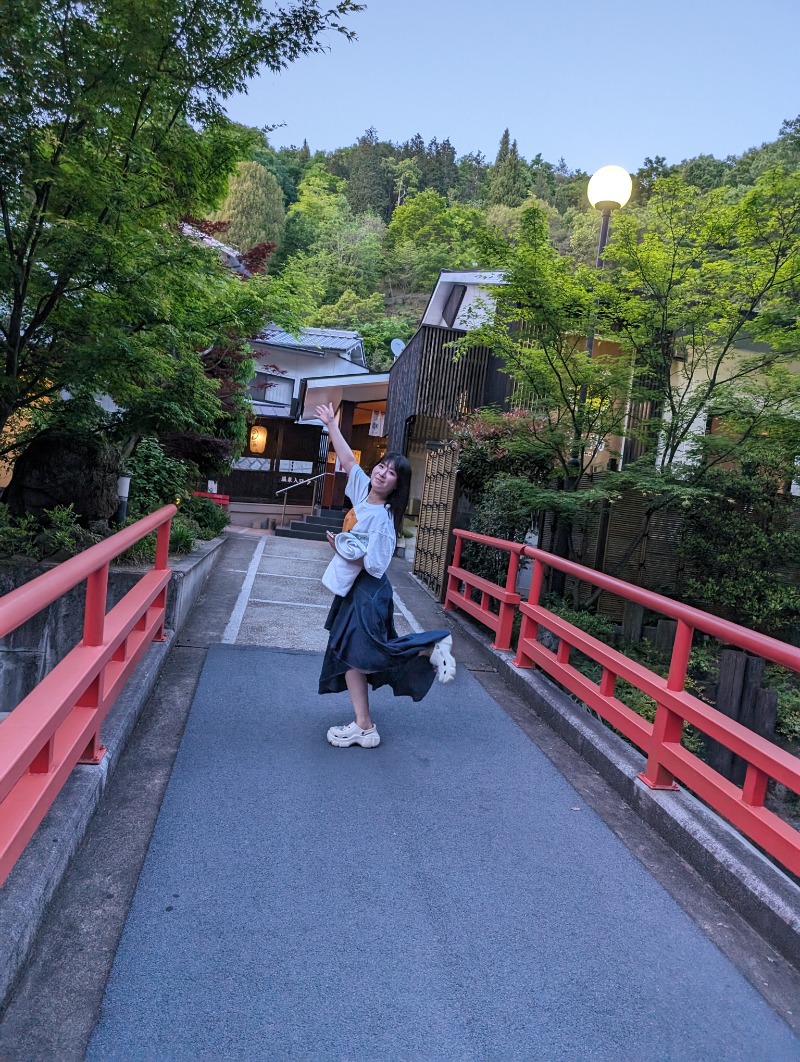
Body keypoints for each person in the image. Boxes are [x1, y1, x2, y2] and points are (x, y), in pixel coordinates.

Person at [315, 402, 456, 749]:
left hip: (368, 594)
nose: (381, 473)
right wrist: (332, 424)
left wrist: (341, 550)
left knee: (371, 653)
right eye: (381, 467)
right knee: (348, 655)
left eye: (390, 473)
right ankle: (364, 727)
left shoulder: (384, 519)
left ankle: (430, 646)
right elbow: (348, 460)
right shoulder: (364, 494)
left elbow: (375, 564)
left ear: (397, 484)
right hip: (356, 592)